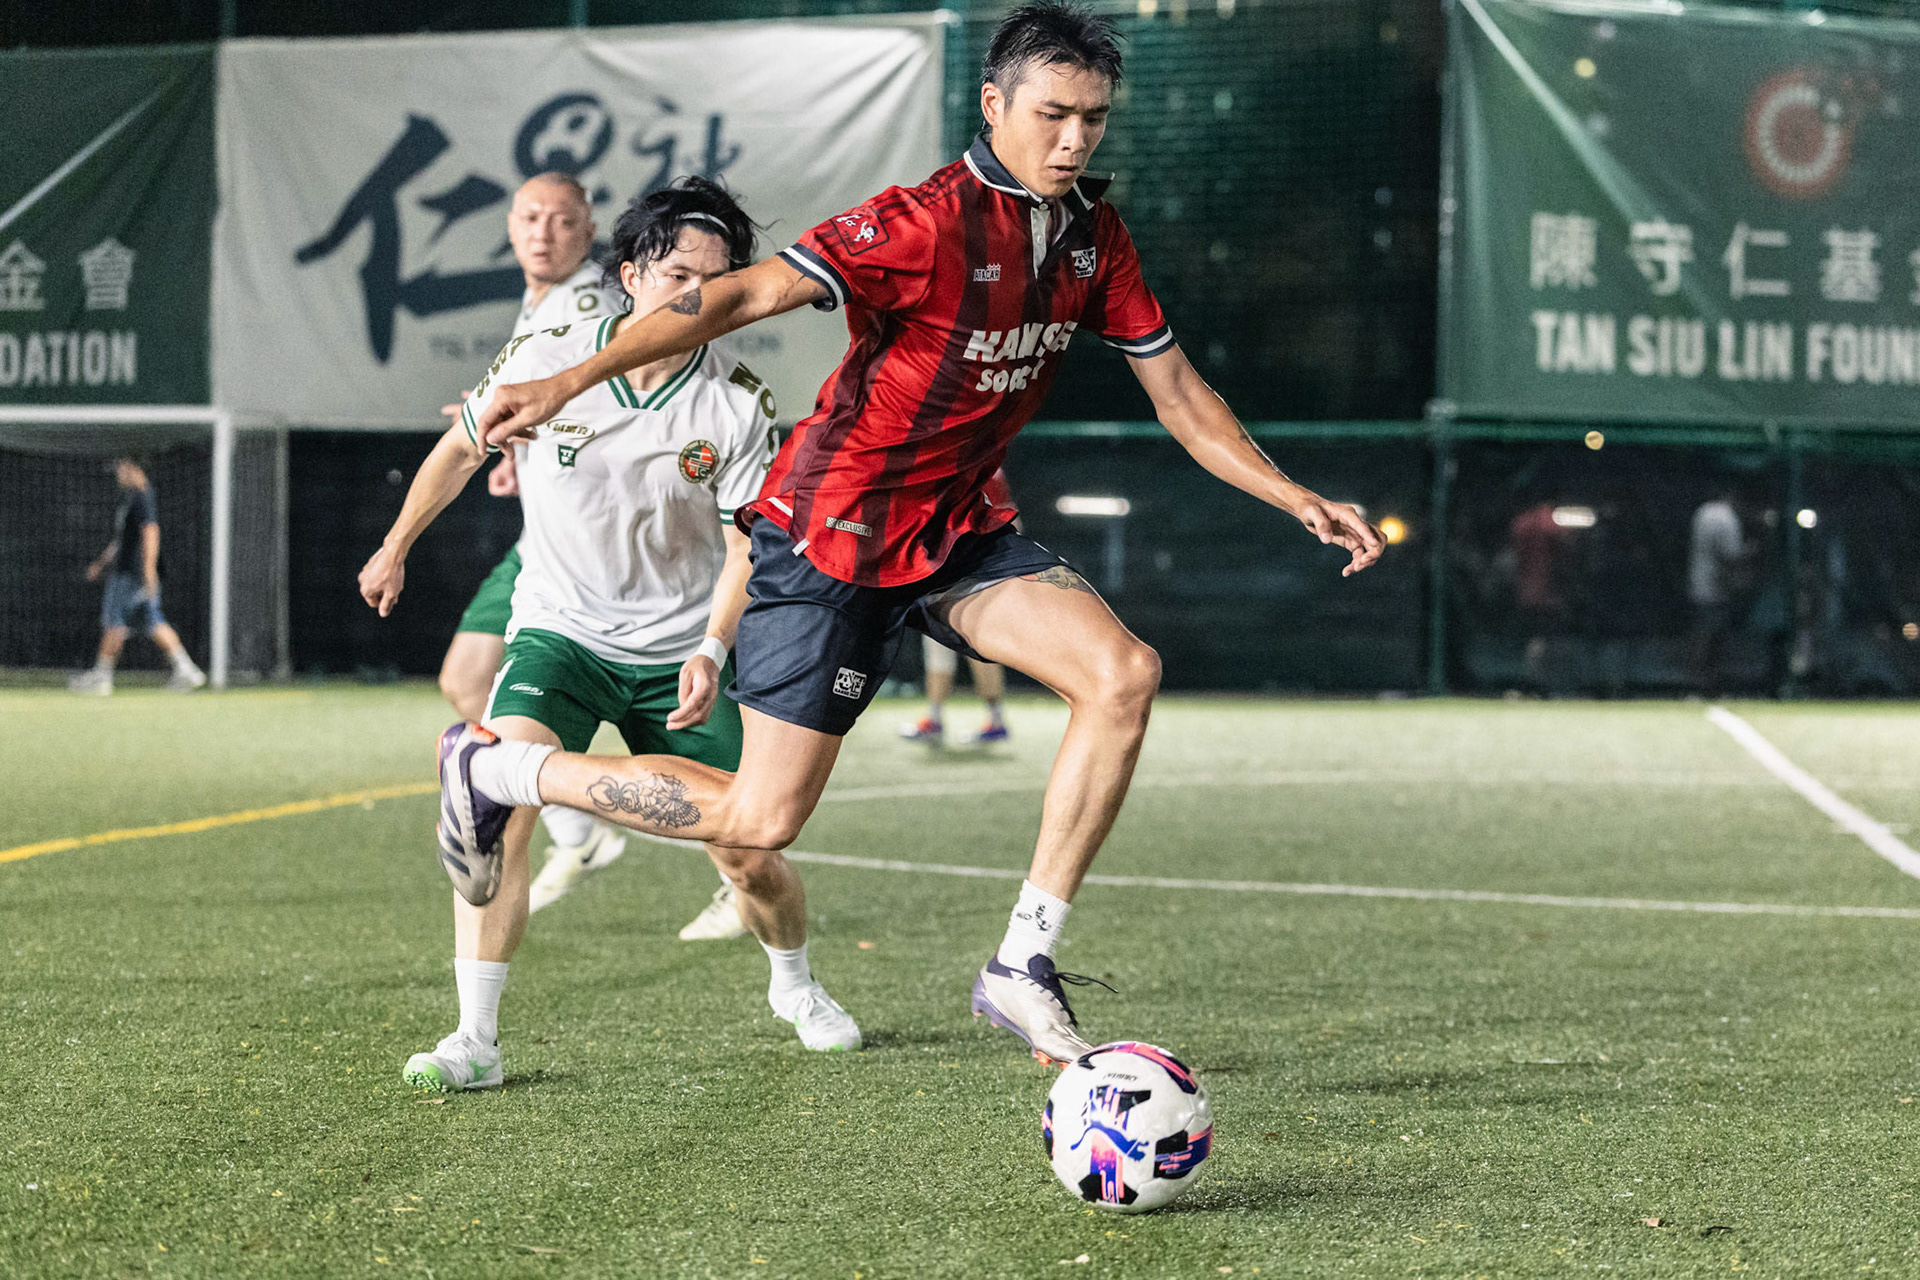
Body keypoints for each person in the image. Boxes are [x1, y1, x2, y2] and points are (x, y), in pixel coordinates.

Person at [447, 2, 1383, 1066]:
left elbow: (1177, 389)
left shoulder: (1093, 237)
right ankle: (502, 775)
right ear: (994, 105)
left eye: (1093, 120)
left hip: (960, 530)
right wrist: (570, 376)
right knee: (756, 826)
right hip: (831, 537)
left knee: (1122, 673)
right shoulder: (921, 221)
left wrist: (1287, 489)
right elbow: (739, 293)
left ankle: (1021, 965)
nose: (1074, 140)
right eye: (1053, 114)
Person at [359, 178, 861, 1092]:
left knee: (752, 853)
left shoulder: (738, 406)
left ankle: (794, 983)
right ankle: (475, 1039)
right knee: (494, 810)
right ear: (629, 275)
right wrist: (396, 544)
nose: (694, 298)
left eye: (716, 281)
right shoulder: (550, 355)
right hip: (560, 633)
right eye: (676, 274)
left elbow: (749, 540)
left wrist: (713, 645)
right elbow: (463, 445)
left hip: (677, 655)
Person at [431, 172, 636, 915]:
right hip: (547, 536)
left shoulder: (594, 304)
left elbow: (617, 401)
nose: (542, 232)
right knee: (465, 680)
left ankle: (739, 881)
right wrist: (521, 449)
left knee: (687, 750)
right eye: (528, 218)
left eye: (560, 219)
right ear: (511, 227)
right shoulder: (541, 303)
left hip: (609, 543)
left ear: (588, 231)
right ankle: (581, 828)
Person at [70, 457, 206, 696]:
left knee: (114, 622)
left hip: (132, 575)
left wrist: (148, 570)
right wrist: (101, 563)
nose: (118, 476)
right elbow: (123, 541)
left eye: (121, 469)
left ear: (135, 469)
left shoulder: (143, 497)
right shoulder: (133, 500)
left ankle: (101, 677)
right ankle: (187, 670)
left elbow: (151, 533)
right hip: (134, 573)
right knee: (153, 621)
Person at [901, 469, 1018, 745]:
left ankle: (995, 719)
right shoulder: (966, 459)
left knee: (977, 641)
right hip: (947, 561)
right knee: (937, 638)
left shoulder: (980, 466)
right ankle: (936, 717)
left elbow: (1000, 521)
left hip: (973, 565)